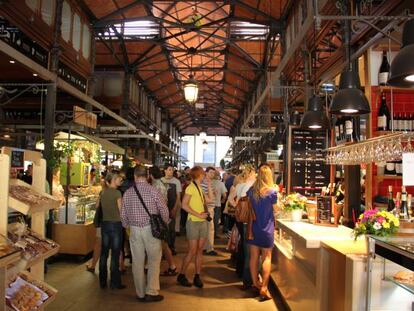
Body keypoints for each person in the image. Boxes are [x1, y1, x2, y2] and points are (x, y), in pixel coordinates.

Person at [121, 165, 169, 303]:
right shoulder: (153, 191)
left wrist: (127, 227)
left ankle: (140, 293)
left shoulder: (128, 193)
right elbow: (164, 210)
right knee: (154, 261)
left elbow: (123, 215)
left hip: (135, 230)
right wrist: (163, 224)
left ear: (135, 176)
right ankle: (152, 291)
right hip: (151, 230)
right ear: (147, 176)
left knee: (137, 262)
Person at [177, 166, 212, 288]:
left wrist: (208, 185)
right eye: (203, 174)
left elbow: (210, 199)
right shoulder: (191, 188)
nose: (204, 175)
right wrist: (198, 214)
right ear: (199, 175)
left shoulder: (199, 188)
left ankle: (197, 275)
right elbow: (184, 205)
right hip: (193, 222)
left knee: (199, 250)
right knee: (192, 250)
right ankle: (181, 275)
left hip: (202, 222)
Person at [247, 164, 278, 301]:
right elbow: (276, 210)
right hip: (267, 229)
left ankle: (255, 283)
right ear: (269, 176)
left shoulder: (251, 191)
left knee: (254, 256)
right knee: (266, 257)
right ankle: (264, 288)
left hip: (253, 228)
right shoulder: (272, 192)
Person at [229, 166, 256, 290]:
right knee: (249, 251)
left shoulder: (240, 185)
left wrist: (237, 207)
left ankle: (239, 271)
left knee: (242, 246)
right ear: (251, 174)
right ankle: (247, 279)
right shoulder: (251, 185)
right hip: (247, 220)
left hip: (240, 218)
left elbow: (231, 199)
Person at [149, 165, 178, 276]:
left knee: (159, 243)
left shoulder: (155, 185)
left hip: (157, 218)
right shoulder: (160, 184)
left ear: (151, 175)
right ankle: (172, 266)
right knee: (163, 243)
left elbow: (158, 203)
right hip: (161, 217)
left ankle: (156, 266)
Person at [99, 172, 125, 290]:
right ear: (112, 180)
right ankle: (115, 282)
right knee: (115, 254)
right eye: (117, 178)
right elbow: (121, 210)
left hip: (105, 224)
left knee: (104, 253)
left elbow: (96, 206)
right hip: (116, 225)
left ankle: (102, 281)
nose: (120, 179)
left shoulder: (102, 192)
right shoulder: (117, 193)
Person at [161, 164, 182, 253]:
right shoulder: (160, 181)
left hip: (172, 207)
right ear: (165, 170)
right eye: (169, 169)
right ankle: (163, 248)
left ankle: (171, 246)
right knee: (163, 228)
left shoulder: (176, 181)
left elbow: (178, 196)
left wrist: (174, 208)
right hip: (162, 208)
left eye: (172, 170)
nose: (171, 171)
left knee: (171, 228)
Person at [201, 167, 218, 256]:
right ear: (206, 173)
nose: (212, 174)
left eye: (213, 173)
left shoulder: (208, 182)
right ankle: (209, 248)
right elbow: (204, 197)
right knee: (210, 228)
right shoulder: (205, 182)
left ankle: (205, 247)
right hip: (208, 208)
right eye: (211, 172)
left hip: (209, 208)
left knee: (207, 228)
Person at [213, 170, 227, 237]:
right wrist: (223, 200)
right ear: (218, 176)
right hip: (217, 204)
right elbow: (224, 195)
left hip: (207, 205)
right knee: (216, 220)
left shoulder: (208, 182)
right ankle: (215, 234)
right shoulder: (221, 184)